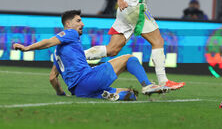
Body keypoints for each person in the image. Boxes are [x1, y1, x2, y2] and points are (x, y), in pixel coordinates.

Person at [84, 0, 206, 90]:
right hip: (134, 8)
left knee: (112, 49)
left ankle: (77, 56)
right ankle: (163, 81)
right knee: (158, 41)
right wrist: (120, 0)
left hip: (126, 12)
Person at [13, 10, 167, 101]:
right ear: (68, 25)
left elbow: (52, 78)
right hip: (88, 79)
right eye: (78, 21)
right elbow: (48, 41)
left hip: (79, 92)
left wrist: (61, 94)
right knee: (129, 59)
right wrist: (27, 48)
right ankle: (147, 85)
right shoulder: (70, 33)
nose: (82, 24)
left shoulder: (58, 55)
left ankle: (108, 94)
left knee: (132, 94)